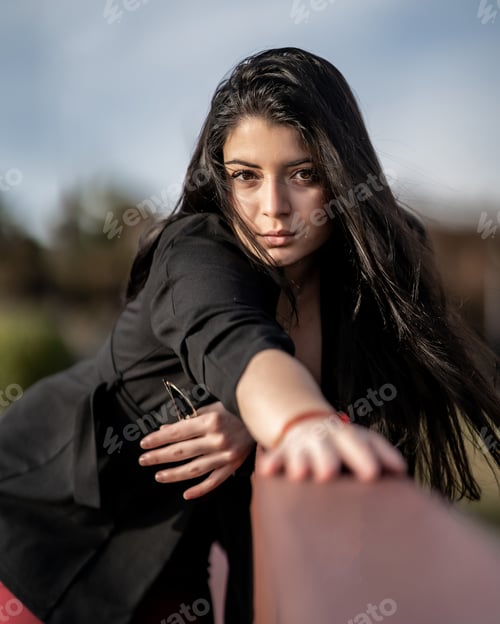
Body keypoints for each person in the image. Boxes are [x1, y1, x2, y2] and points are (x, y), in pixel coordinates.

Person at [0, 46, 499, 623]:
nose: (273, 209)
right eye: (246, 176)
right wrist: (296, 423)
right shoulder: (195, 252)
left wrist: (262, 429)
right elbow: (233, 338)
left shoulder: (369, 275)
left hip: (174, 570)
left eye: (304, 174)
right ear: (221, 176)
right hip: (37, 533)